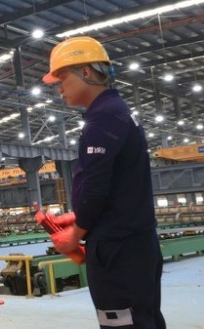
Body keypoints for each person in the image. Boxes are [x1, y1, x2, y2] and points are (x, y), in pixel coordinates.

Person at [42, 36, 165, 328]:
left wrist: (74, 235)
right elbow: (117, 186)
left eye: (61, 78)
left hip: (118, 250)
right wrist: (77, 217)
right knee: (141, 319)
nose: (59, 89)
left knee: (123, 323)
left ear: (85, 72)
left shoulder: (104, 120)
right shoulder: (114, 113)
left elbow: (96, 188)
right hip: (130, 245)